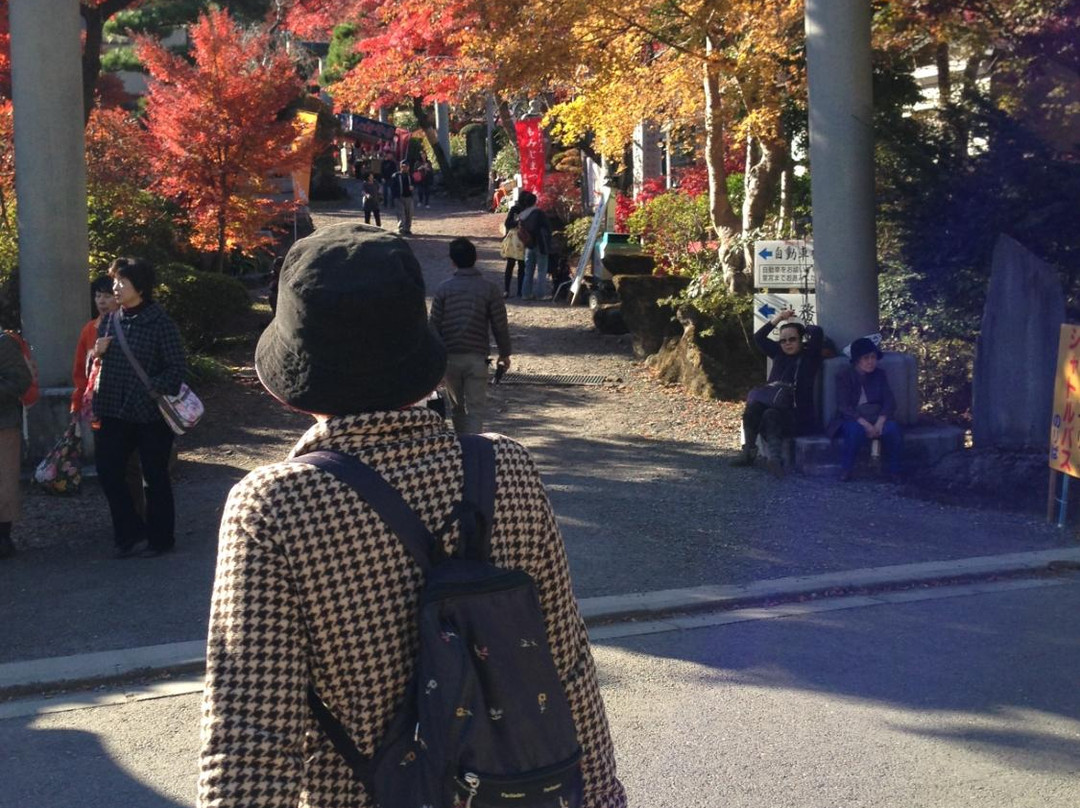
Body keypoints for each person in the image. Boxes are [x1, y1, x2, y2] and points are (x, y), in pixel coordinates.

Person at [198, 223, 624, 808]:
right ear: (419, 357)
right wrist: (601, 797)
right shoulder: (508, 469)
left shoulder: (273, 508)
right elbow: (567, 666)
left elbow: (251, 734)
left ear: (290, 382)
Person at [92, 257, 186, 558]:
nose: (115, 288)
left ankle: (160, 538)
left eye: (122, 282)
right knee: (108, 472)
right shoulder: (110, 320)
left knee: (154, 476)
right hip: (112, 409)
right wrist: (97, 352)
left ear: (141, 286)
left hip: (150, 414)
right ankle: (130, 533)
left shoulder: (161, 323)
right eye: (114, 281)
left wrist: (150, 389)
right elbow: (96, 363)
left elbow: (177, 369)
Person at [429, 237, 512, 434]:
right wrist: (504, 353)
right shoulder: (489, 289)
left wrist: (434, 358)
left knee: (456, 407)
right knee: (475, 410)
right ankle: (474, 446)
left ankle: (461, 445)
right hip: (477, 356)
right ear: (475, 258)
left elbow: (434, 326)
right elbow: (499, 324)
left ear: (453, 261)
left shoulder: (443, 289)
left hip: (450, 356)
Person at [732, 307, 824, 475]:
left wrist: (801, 325)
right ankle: (748, 451)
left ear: (801, 340)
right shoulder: (778, 355)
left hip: (795, 415)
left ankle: (776, 459)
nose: (787, 343)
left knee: (770, 414)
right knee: (753, 408)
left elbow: (817, 333)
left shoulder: (808, 357)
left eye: (792, 339)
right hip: (773, 407)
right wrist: (779, 318)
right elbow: (758, 337)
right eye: (783, 340)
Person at [827, 336, 904, 482]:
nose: (870, 362)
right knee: (854, 432)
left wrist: (880, 422)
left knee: (893, 430)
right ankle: (846, 469)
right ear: (857, 360)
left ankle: (895, 471)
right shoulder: (844, 376)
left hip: (877, 415)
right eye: (866, 358)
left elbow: (889, 401)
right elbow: (844, 406)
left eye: (873, 357)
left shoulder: (879, 374)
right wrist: (866, 424)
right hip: (854, 417)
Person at [0, 330, 32, 559]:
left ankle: (3, 537)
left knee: (4, 483)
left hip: (3, 423)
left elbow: (21, 379)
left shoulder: (3, 342)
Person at [517, 190, 552, 300]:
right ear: (534, 201)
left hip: (528, 244)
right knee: (542, 271)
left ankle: (525, 294)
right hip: (540, 244)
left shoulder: (522, 215)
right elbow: (547, 228)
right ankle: (540, 294)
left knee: (528, 271)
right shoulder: (539, 213)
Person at [501, 200, 527, 298]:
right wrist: (517, 223)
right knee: (512, 265)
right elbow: (507, 223)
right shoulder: (516, 209)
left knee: (520, 266)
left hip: (521, 240)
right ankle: (508, 290)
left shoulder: (527, 210)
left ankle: (518, 290)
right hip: (515, 240)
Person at [391, 160, 415, 235]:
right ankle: (401, 228)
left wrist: (413, 187)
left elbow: (415, 184)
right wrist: (394, 196)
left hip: (409, 197)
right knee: (401, 213)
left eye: (406, 166)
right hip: (399, 197)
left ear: (408, 167)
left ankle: (407, 228)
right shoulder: (396, 176)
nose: (404, 168)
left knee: (409, 214)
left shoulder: (410, 176)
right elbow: (392, 187)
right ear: (400, 167)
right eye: (403, 166)